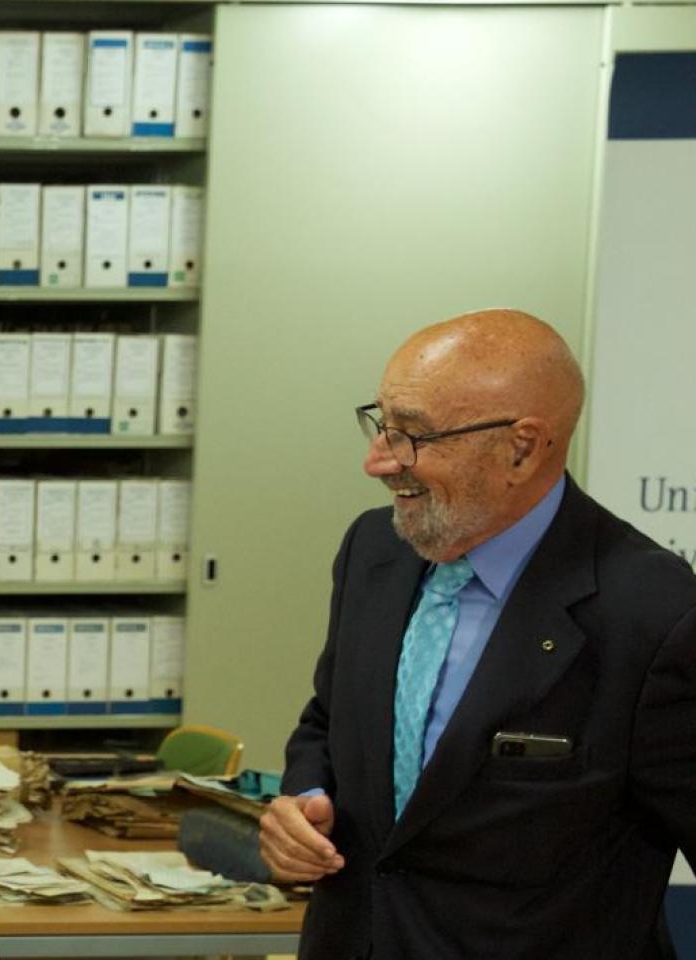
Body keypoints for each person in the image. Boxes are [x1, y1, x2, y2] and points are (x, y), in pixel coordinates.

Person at [260, 308, 696, 959]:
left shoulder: (652, 613)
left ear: (521, 447)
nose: (378, 461)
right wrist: (306, 797)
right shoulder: (373, 551)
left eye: (412, 435)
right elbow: (328, 718)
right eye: (382, 424)